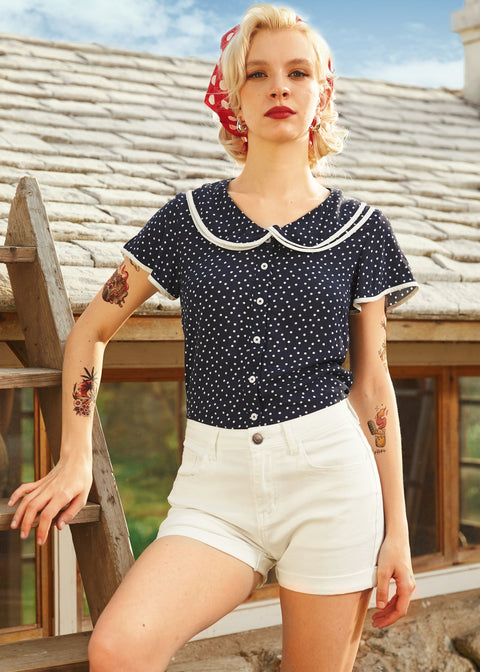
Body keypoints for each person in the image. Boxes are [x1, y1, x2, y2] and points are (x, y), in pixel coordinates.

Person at [9, 4, 418, 671]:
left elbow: (373, 386)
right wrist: (75, 457)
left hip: (333, 482)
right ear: (234, 96)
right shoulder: (186, 219)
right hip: (214, 487)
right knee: (119, 649)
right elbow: (90, 332)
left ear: (323, 92)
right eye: (258, 74)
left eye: (298, 72)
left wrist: (397, 532)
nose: (279, 87)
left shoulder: (363, 230)